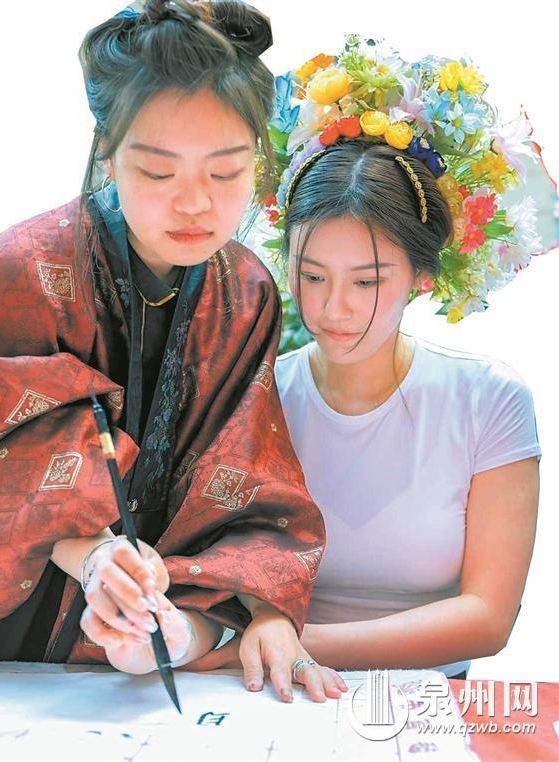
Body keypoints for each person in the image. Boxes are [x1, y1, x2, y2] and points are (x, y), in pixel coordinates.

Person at [0, 0, 335, 703]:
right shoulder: (28, 265)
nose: (196, 203)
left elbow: (246, 473)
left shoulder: (246, 291)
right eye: (158, 172)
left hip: (142, 630)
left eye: (226, 173)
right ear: (107, 154)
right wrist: (91, 551)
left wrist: (264, 609)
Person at [192, 37, 547, 682]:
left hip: (427, 699)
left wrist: (294, 641)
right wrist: (263, 624)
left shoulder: (488, 401)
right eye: (313, 276)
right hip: (275, 690)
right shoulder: (258, 394)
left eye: (367, 281)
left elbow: (487, 618)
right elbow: (220, 557)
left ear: (420, 277)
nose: (335, 308)